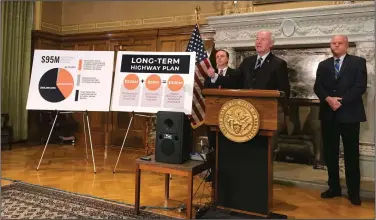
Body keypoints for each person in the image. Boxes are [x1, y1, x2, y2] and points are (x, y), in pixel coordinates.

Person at [313, 35, 367, 206]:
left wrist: (341, 101)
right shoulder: (323, 65)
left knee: (351, 154)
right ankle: (334, 187)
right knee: (330, 153)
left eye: (339, 43)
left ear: (347, 45)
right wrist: (328, 99)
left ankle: (353, 192)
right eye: (333, 43)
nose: (335, 46)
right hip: (328, 114)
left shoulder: (358, 62)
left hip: (350, 113)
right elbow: (318, 86)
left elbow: (360, 86)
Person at [238, 30, 290, 154]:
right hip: (246, 112)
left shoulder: (279, 64)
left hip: (267, 112)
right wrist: (216, 77)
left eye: (263, 39)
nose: (258, 42)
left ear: (271, 44)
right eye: (257, 39)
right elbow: (236, 81)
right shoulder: (247, 61)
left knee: (265, 150)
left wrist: (284, 115)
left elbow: (284, 90)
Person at [204, 49, 241, 182]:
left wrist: (215, 77)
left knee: (227, 146)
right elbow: (205, 92)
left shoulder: (235, 73)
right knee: (213, 145)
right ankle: (213, 172)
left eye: (222, 56)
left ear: (227, 59)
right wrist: (212, 78)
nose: (219, 59)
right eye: (217, 57)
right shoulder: (209, 75)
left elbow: (233, 85)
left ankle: (228, 173)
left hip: (229, 115)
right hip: (212, 116)